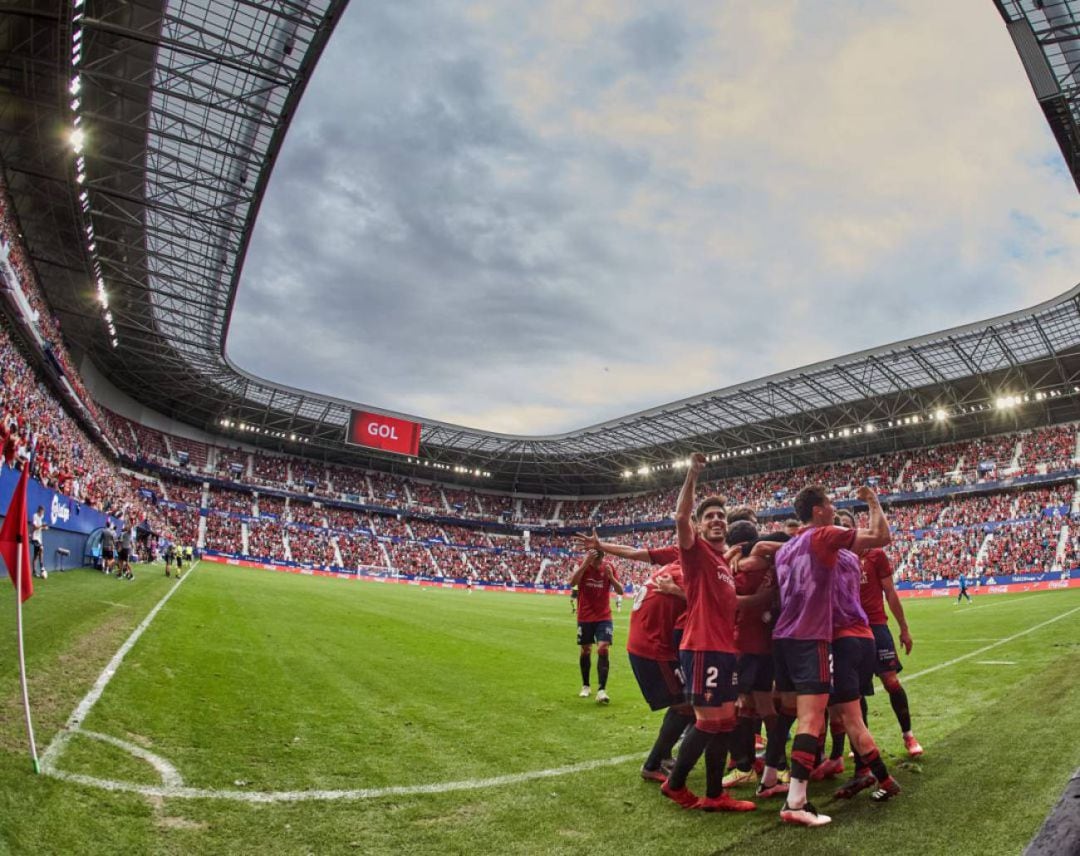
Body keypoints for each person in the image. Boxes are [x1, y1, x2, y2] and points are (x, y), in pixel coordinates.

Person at [771, 485, 893, 827]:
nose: (834, 506)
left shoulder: (785, 549)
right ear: (819, 510)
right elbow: (882, 536)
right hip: (813, 635)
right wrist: (872, 501)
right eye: (830, 503)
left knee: (796, 715)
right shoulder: (824, 535)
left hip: (782, 637)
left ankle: (777, 778)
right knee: (813, 719)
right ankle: (796, 801)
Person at [660, 452, 756, 813]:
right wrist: (692, 475)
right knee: (708, 722)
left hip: (724, 651)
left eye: (721, 516)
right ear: (700, 526)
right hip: (701, 648)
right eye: (710, 516)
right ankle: (675, 784)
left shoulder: (721, 564)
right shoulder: (696, 553)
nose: (717, 519)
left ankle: (715, 794)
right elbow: (680, 517)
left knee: (726, 721)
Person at [835, 510, 923, 759]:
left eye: (847, 525)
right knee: (856, 691)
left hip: (876, 626)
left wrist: (904, 628)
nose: (843, 530)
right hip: (849, 630)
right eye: (839, 526)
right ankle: (863, 742)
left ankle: (908, 735)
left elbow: (890, 593)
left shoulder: (875, 554)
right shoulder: (834, 558)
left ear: (856, 529)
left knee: (891, 681)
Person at [625, 561, 694, 782]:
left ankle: (663, 756)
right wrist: (676, 591)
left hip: (646, 643)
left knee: (680, 701)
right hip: (653, 649)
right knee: (685, 707)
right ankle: (652, 764)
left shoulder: (671, 568)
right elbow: (710, 604)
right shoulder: (684, 574)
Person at [570, 549, 623, 704]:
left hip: (604, 616)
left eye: (598, 561)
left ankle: (602, 690)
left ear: (602, 558)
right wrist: (585, 564)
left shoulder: (608, 567)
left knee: (603, 648)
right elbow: (572, 582)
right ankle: (586, 685)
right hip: (585, 616)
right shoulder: (583, 565)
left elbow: (620, 590)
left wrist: (611, 578)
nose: (596, 564)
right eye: (594, 561)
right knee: (586, 649)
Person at [31, 505, 47, 579]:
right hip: (35, 538)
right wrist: (41, 525)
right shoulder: (35, 516)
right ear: (39, 510)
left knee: (36, 555)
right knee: (41, 549)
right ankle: (42, 568)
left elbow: (39, 529)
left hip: (39, 538)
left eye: (43, 512)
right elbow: (34, 527)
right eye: (42, 512)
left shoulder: (41, 517)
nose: (42, 513)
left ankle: (34, 572)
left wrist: (44, 528)